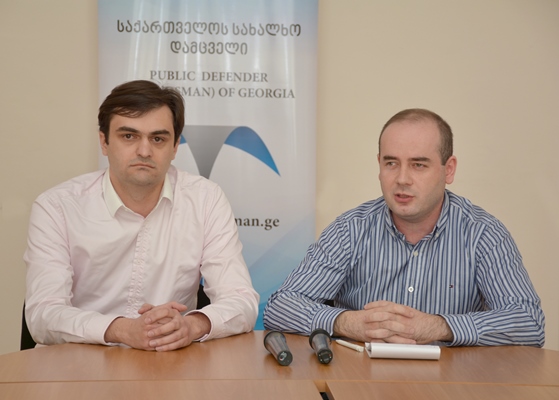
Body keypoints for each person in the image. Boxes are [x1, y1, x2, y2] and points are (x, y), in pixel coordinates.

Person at [263, 108, 545, 347]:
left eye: (418, 165)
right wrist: (347, 323)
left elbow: (529, 323)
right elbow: (279, 308)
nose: (402, 179)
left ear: (448, 169)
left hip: (449, 383)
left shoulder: (483, 234)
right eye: (391, 163)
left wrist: (439, 326)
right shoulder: (350, 230)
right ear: (379, 165)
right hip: (359, 381)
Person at [25, 80, 259, 351]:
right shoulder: (56, 207)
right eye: (129, 136)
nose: (144, 151)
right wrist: (122, 330)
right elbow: (43, 314)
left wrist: (191, 326)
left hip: (169, 361)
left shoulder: (205, 199)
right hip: (79, 362)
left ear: (175, 147)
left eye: (158, 139)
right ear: (104, 142)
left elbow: (241, 300)